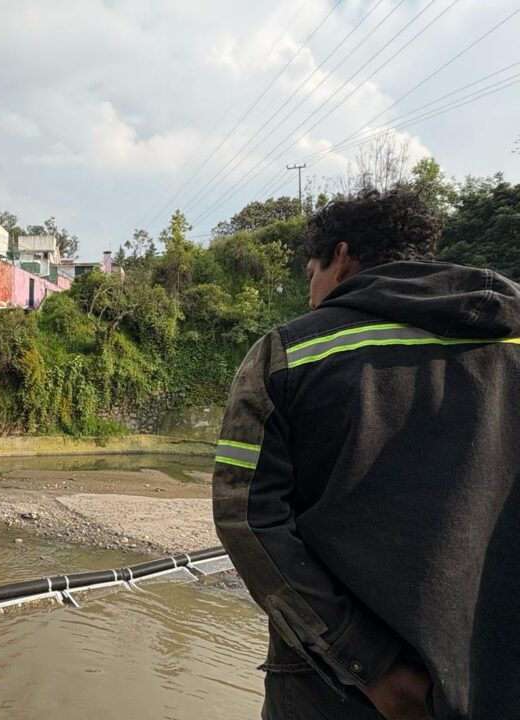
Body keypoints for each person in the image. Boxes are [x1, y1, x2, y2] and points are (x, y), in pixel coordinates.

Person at [213, 188, 520, 720]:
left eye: (311, 273)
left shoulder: (289, 355)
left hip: (334, 693)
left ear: (342, 256)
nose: (311, 297)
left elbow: (246, 516)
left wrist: (369, 666)